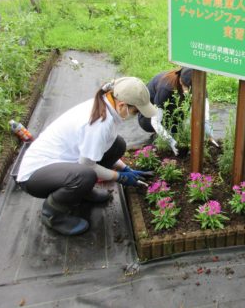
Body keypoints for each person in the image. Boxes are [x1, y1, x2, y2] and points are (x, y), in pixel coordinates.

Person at [16, 77, 158, 236]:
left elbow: (100, 150)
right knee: (85, 175)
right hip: (35, 177)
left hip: (63, 166)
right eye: (136, 111)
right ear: (122, 105)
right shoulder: (100, 124)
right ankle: (53, 215)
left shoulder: (105, 106)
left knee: (117, 145)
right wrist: (120, 177)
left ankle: (83, 192)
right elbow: (87, 165)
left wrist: (126, 168)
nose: (136, 114)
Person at [138, 67, 217, 155]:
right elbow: (155, 121)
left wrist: (209, 135)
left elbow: (204, 113)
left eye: (189, 88)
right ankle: (158, 138)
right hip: (147, 117)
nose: (186, 90)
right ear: (180, 78)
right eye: (183, 85)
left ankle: (169, 132)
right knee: (174, 130)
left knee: (183, 125)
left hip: (172, 111)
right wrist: (170, 141)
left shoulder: (199, 86)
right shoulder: (166, 87)